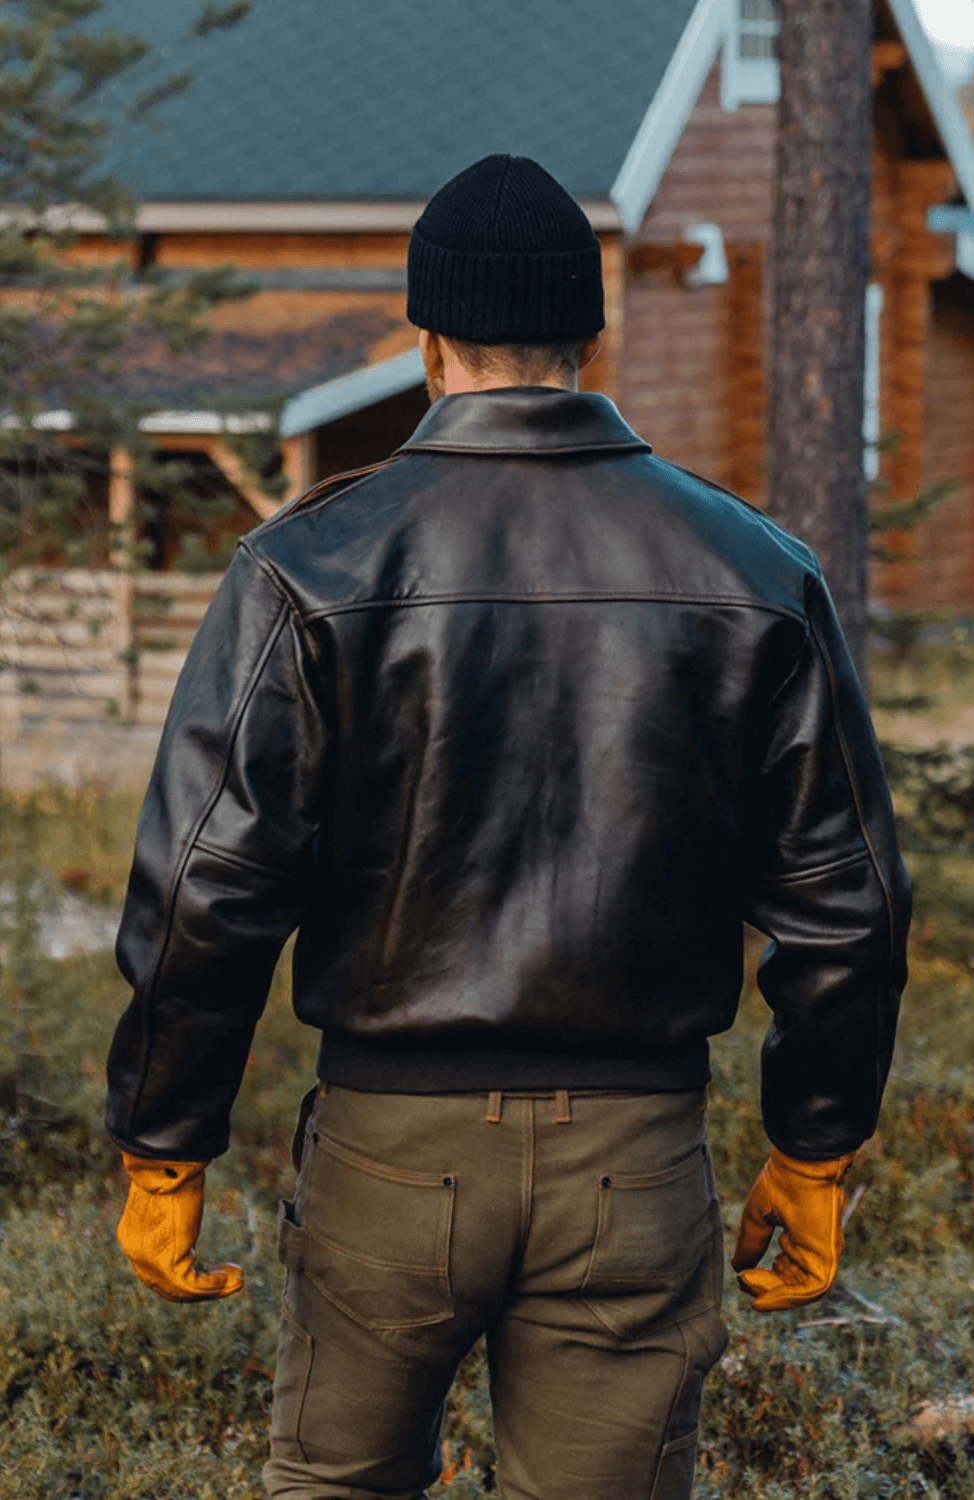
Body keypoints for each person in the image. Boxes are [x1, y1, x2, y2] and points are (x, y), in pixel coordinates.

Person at [105, 154, 910, 1500]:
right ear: (586, 340)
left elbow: (207, 890)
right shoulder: (758, 572)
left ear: (426, 345)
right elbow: (848, 904)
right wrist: (816, 1148)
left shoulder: (309, 566)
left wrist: (162, 1142)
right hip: (636, 1162)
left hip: (385, 1159)